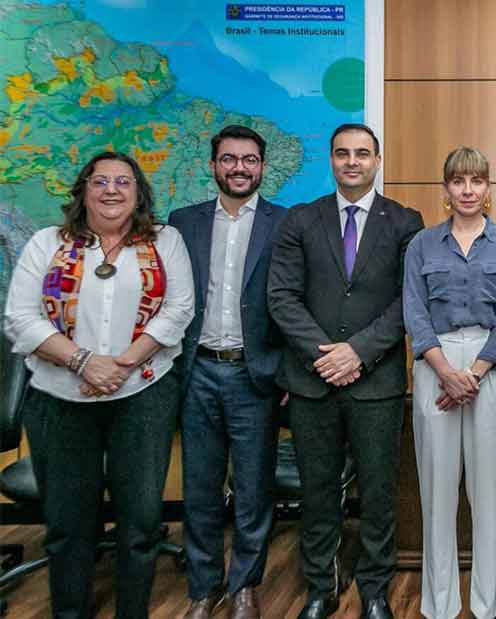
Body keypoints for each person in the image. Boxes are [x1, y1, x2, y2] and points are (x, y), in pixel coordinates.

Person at [3, 151, 194, 619]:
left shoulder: (165, 242)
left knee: (142, 521)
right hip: (59, 399)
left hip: (143, 396)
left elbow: (178, 311)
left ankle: (133, 611)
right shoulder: (47, 243)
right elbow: (19, 319)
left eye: (123, 182)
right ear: (83, 191)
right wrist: (85, 364)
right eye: (100, 181)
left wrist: (121, 365)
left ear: (138, 192)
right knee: (68, 523)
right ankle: (71, 611)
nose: (111, 190)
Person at [267, 123, 424, 619]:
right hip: (312, 383)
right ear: (330, 161)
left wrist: (357, 352)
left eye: (362, 153)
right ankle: (321, 586)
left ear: (377, 160)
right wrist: (326, 355)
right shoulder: (300, 219)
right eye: (342, 154)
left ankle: (375, 587)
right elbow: (282, 297)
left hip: (376, 382)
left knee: (378, 492)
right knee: (318, 490)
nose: (351, 161)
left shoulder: (404, 221)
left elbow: (410, 300)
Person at [169, 125, 288, 619]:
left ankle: (244, 585)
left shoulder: (285, 223)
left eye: (249, 160)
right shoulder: (182, 223)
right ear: (213, 164)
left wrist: (283, 372)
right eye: (229, 159)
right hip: (196, 371)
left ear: (262, 167)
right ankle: (203, 587)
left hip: (253, 373)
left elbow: (291, 301)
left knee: (254, 489)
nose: (239, 167)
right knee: (199, 486)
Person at [402, 147, 496, 619]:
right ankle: (439, 603)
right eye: (458, 181)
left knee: (489, 490)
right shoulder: (422, 245)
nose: (467, 190)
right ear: (446, 189)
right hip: (435, 365)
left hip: (488, 369)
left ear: (488, 188)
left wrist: (472, 374)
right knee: (437, 490)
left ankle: (489, 601)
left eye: (476, 181)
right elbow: (414, 310)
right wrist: (445, 371)